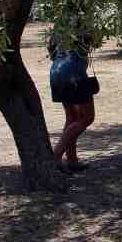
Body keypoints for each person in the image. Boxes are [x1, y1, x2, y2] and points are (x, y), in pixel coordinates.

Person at [48, 28, 96, 172]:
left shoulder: (60, 26)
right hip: (74, 74)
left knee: (72, 117)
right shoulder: (83, 23)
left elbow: (51, 49)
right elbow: (91, 41)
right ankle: (56, 156)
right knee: (87, 117)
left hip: (57, 71)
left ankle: (72, 160)